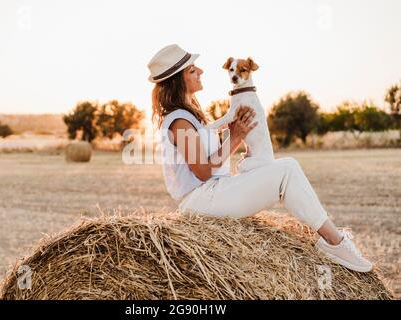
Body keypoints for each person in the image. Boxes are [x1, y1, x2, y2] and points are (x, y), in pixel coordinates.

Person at [147, 44, 373, 272]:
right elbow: (203, 171)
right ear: (178, 80)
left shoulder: (191, 116)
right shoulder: (180, 121)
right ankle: (335, 242)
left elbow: (211, 161)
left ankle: (332, 239)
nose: (201, 71)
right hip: (202, 200)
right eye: (193, 70)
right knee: (287, 169)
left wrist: (238, 135)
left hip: (213, 192)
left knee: (284, 168)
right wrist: (235, 137)